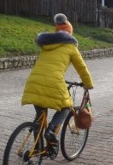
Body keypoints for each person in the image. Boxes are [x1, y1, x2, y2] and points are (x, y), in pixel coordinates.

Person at [21, 13, 93, 145]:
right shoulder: (71, 47)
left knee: (39, 116)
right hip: (53, 82)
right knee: (66, 107)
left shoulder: (46, 46)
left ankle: (37, 149)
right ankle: (51, 131)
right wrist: (88, 84)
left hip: (33, 83)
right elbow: (82, 68)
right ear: (69, 33)